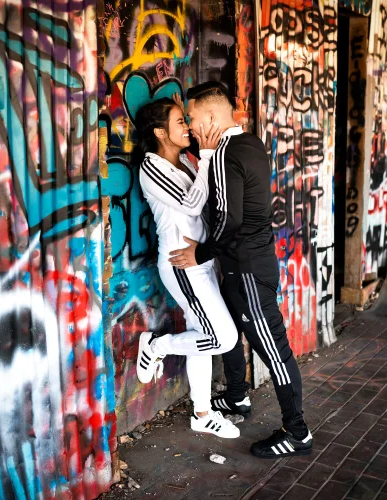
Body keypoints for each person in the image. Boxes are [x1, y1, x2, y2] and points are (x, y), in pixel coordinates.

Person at [168, 82, 313, 458]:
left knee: (274, 351)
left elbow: (228, 221)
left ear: (213, 117)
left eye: (195, 118)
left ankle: (296, 432)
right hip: (246, 265)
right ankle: (236, 398)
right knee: (229, 331)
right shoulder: (250, 142)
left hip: (247, 269)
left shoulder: (223, 154)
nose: (192, 127)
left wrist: (199, 254)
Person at [133, 96, 241, 439]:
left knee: (200, 335)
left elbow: (207, 199)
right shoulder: (152, 166)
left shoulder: (185, 160)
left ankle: (202, 412)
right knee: (222, 337)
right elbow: (193, 204)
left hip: (202, 259)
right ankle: (156, 346)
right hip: (182, 264)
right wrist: (208, 156)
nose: (187, 127)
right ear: (160, 132)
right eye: (180, 122)